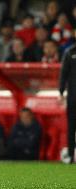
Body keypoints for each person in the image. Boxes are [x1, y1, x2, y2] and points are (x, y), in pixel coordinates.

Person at [59, 30, 76, 164]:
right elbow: (64, 74)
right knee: (71, 126)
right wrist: (61, 92)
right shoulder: (70, 52)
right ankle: (70, 155)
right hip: (73, 97)